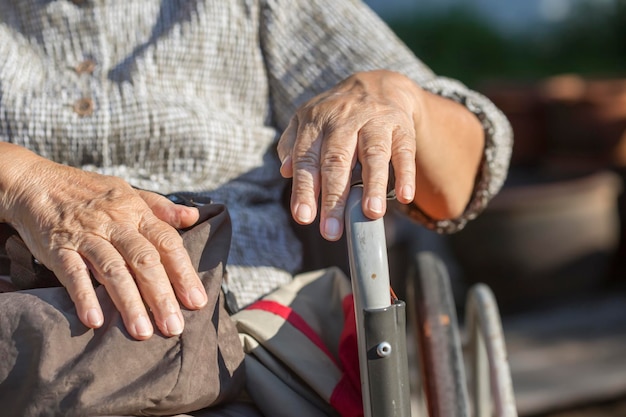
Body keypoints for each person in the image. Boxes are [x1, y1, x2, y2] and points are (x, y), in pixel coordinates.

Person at [0, 0, 512, 415]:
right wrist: (20, 178)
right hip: (23, 344)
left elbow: (460, 185)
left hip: (242, 341)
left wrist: (396, 95)